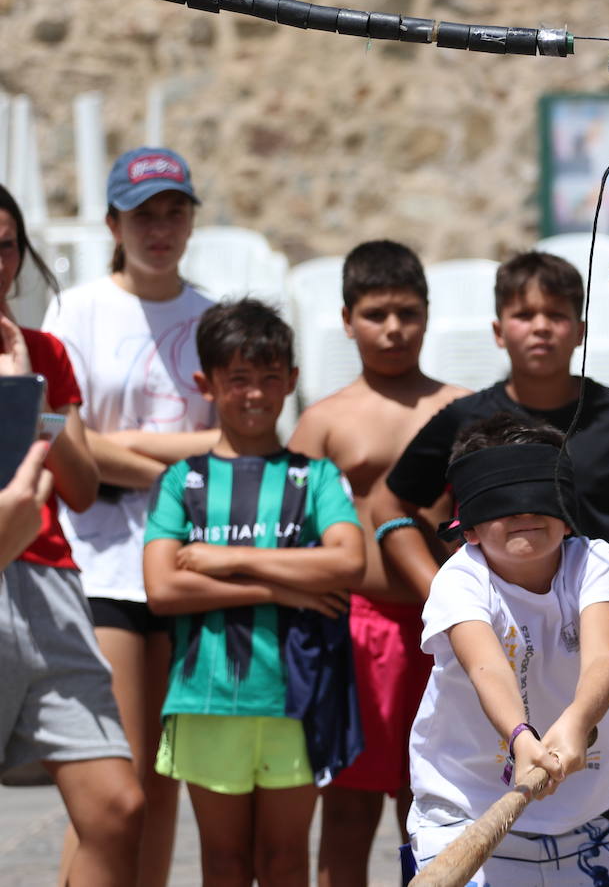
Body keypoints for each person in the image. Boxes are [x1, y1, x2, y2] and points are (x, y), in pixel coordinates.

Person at [375, 250, 609, 820]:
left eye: (556, 314)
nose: (540, 327)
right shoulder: (466, 419)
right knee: (494, 806)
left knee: (596, 813)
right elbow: (391, 501)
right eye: (524, 314)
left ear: (579, 329)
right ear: (498, 330)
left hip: (597, 644)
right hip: (494, 645)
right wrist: (438, 588)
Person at [42, 146, 220, 885]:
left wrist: (141, 453)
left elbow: (242, 439)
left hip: (188, 562)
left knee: (163, 780)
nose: (160, 227)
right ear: (114, 222)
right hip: (101, 561)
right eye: (144, 214)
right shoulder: (78, 308)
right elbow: (67, 436)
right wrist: (178, 469)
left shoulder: (210, 314)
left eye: (174, 211)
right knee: (113, 788)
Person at [143, 299, 365, 886]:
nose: (255, 394)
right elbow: (163, 587)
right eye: (238, 378)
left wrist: (227, 560)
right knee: (224, 863)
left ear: (292, 381)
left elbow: (348, 561)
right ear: (206, 384)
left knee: (286, 860)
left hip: (294, 697)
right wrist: (283, 587)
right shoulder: (182, 480)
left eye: (270, 378)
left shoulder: (312, 476)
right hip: (205, 698)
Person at [287, 240, 468, 887]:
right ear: (346, 320)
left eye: (407, 313)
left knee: (439, 809)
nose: (393, 329)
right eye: (375, 314)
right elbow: (290, 533)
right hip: (358, 631)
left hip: (448, 627)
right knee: (348, 809)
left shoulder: (465, 408)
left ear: (427, 314)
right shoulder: (324, 422)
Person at [404, 414, 609, 885]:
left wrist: (577, 722)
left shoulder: (594, 561)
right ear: (468, 527)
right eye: (500, 500)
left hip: (580, 818)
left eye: (537, 495)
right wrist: (521, 738)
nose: (522, 512)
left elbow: (603, 658)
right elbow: (486, 666)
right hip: (464, 810)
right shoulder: (460, 579)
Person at [0, 185, 146, 885]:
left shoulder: (45, 353)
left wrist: (30, 397)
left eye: (4, 247)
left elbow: (83, 489)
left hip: (51, 583)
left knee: (118, 806)